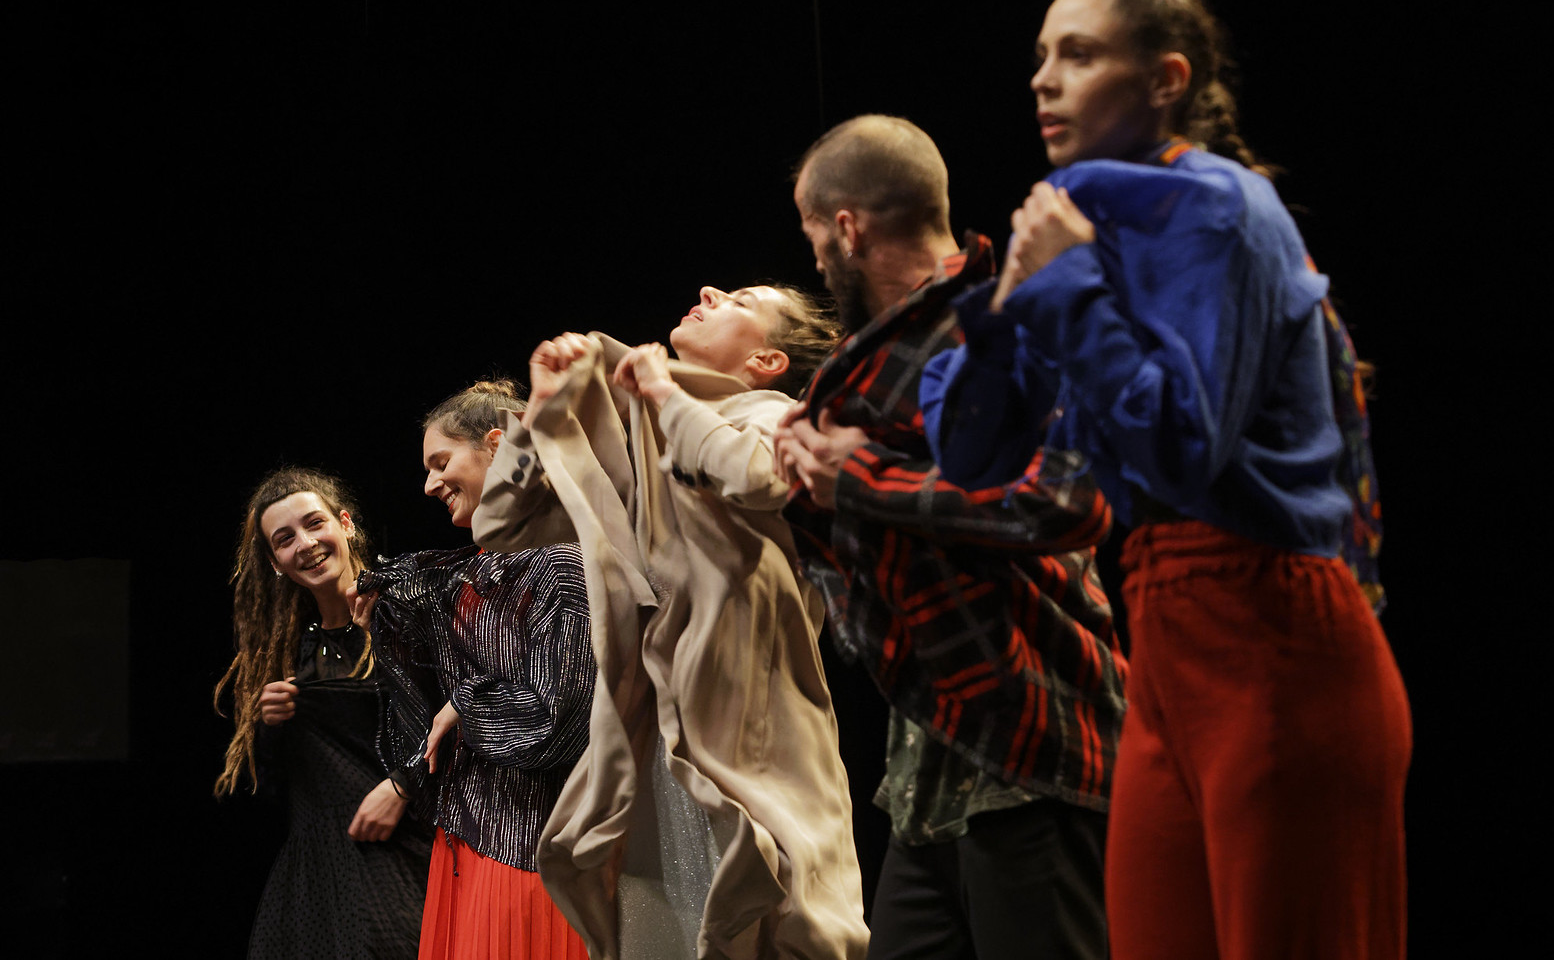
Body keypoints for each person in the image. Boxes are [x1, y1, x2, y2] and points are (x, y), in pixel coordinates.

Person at [919, 0, 1410, 960]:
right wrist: (1006, 313)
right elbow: (970, 460)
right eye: (1041, 56)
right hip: (1165, 642)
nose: (1044, 80)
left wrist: (1065, 286)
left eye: (1079, 54)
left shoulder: (1220, 209)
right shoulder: (1085, 227)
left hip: (1277, 637)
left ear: (1165, 80)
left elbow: (1182, 448)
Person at [775, 114, 1124, 960]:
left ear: (847, 229)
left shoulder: (997, 324)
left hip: (1030, 740)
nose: (815, 258)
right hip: (926, 763)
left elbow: (1069, 500)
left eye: (814, 234)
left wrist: (858, 480)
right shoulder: (866, 362)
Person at [471, 284, 869, 960]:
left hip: (747, 733)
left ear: (768, 361)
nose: (708, 292)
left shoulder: (778, 416)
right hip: (657, 735)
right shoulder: (647, 445)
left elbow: (758, 476)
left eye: (739, 300)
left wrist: (660, 390)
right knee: (659, 931)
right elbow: (502, 527)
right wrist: (541, 412)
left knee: (777, 919)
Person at [357, 380, 596, 960]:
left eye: (441, 463)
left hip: (528, 846)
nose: (428, 485)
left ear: (496, 445)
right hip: (468, 839)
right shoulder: (480, 570)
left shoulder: (563, 565)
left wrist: (466, 705)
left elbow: (558, 722)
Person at [214, 467, 430, 960]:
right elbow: (267, 792)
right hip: (313, 872)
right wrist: (270, 728)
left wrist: (403, 784)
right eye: (285, 539)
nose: (305, 544)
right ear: (275, 562)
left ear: (346, 524)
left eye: (314, 523)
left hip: (399, 857)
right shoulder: (290, 651)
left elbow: (467, 720)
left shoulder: (407, 613)